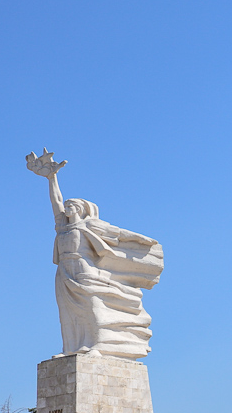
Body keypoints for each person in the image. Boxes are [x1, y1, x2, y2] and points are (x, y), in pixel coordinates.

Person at [26, 149, 164, 359]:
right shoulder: (63, 227)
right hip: (64, 272)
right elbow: (56, 202)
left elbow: (119, 234)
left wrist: (141, 240)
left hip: (84, 270)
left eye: (72, 205)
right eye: (67, 205)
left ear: (82, 210)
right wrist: (51, 178)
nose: (67, 207)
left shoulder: (90, 226)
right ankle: (71, 348)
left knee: (93, 308)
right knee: (68, 314)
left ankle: (98, 345)